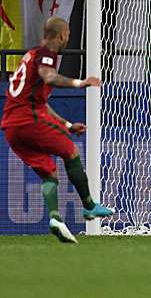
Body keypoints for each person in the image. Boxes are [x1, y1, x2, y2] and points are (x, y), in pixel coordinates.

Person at [1, 17, 114, 243]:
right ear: (62, 34)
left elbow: (43, 104)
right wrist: (80, 83)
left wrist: (69, 125)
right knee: (71, 152)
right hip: (27, 120)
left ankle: (55, 218)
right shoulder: (47, 54)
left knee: (48, 172)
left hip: (11, 128)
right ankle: (90, 206)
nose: (68, 38)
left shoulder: (30, 55)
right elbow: (49, 77)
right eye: (68, 35)